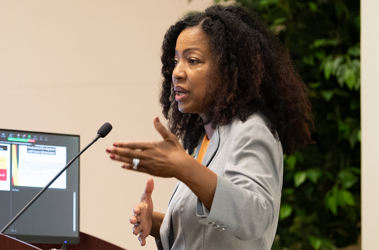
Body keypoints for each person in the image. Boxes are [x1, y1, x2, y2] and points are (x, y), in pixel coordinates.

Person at [106, 4, 313, 250]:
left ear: (228, 70)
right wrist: (158, 223)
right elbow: (208, 234)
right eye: (176, 60)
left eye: (192, 60)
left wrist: (183, 167)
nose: (177, 72)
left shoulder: (251, 130)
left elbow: (255, 217)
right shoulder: (206, 140)